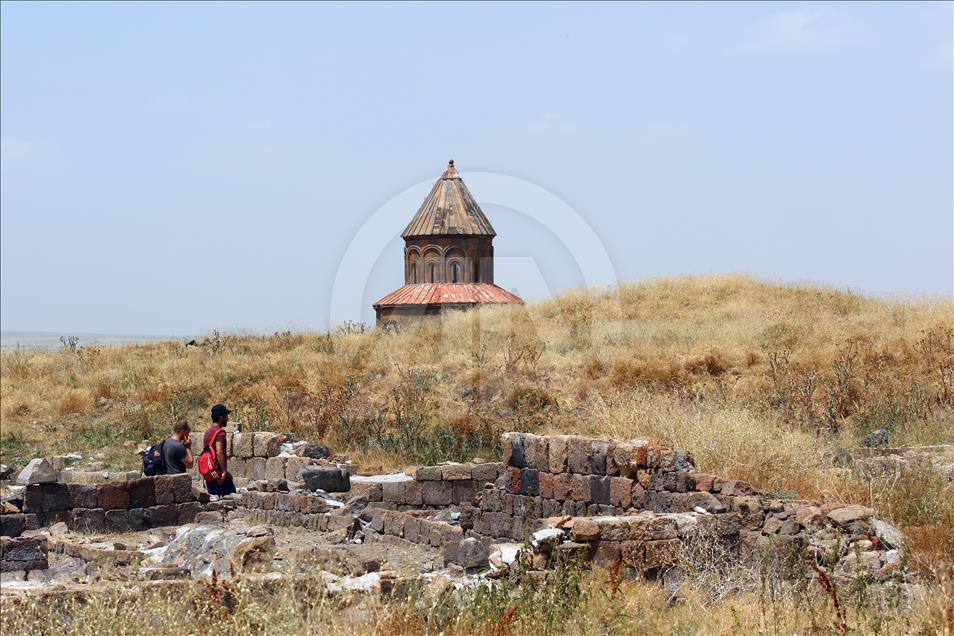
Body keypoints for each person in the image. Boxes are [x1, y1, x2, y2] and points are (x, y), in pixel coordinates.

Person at [203, 403, 236, 497]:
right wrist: (224, 472)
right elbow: (219, 452)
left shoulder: (208, 432)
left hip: (209, 473)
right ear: (221, 417)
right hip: (218, 474)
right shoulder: (220, 433)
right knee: (232, 499)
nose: (227, 419)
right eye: (226, 416)